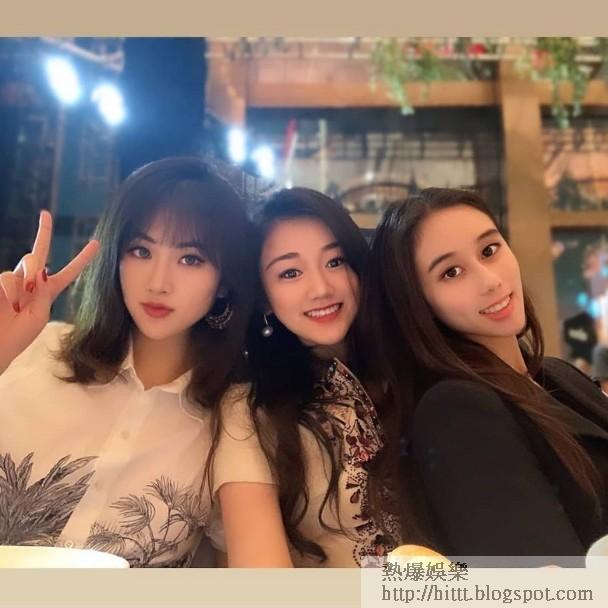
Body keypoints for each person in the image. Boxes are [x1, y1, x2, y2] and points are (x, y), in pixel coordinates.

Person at [0, 157, 290, 567]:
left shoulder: (230, 421)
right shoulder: (31, 352)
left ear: (225, 281)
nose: (158, 282)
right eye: (141, 250)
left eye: (190, 259)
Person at [360, 187, 608, 562]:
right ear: (418, 304)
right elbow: (534, 579)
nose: (490, 280)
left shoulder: (556, 375)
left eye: (489, 250)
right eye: (451, 272)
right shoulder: (454, 411)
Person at [210, 187, 402, 567]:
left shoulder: (408, 372)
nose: (321, 288)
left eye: (335, 261)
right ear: (264, 298)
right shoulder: (250, 411)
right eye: (290, 272)